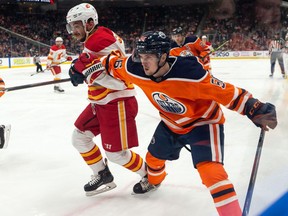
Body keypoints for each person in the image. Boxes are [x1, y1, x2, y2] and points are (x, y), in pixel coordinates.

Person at [68, 31, 277, 215]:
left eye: (149, 57)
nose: (144, 62)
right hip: (171, 124)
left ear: (164, 56)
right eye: (141, 56)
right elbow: (110, 62)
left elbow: (226, 92)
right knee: (152, 162)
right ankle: (154, 182)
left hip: (203, 123)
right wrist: (82, 70)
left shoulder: (190, 74)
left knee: (211, 172)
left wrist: (255, 108)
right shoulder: (134, 67)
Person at [66, 3, 147, 196]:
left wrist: (82, 71)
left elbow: (115, 77)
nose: (74, 31)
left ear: (89, 23)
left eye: (77, 25)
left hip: (116, 102)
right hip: (101, 100)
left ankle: (149, 175)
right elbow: (89, 63)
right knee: (79, 137)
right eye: (72, 26)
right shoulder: (97, 36)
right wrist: (79, 69)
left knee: (116, 154)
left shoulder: (99, 39)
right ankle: (102, 174)